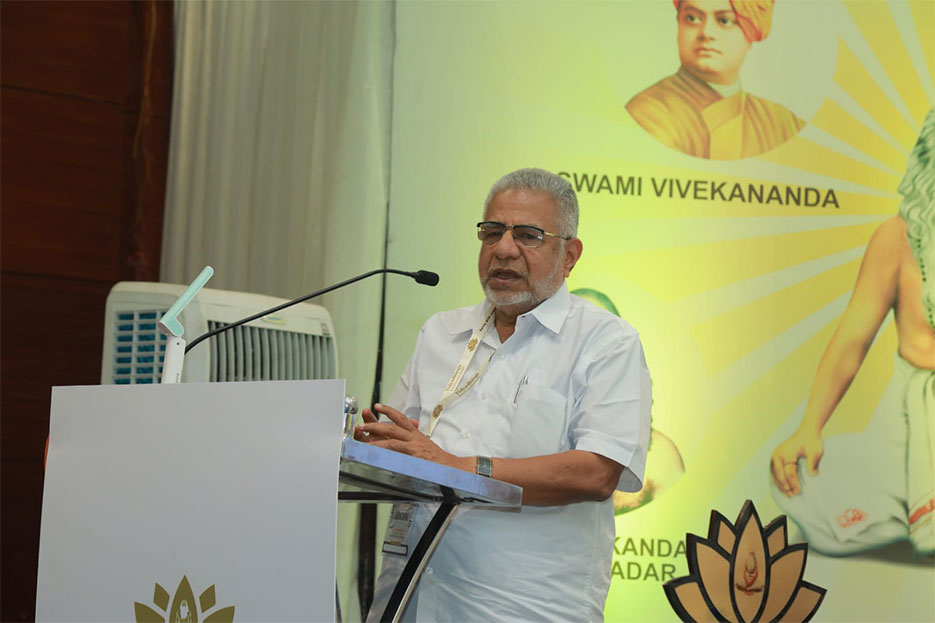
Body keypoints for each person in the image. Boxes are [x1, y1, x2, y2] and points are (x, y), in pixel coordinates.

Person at [354, 168, 652, 621]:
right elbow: (399, 448)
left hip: (522, 611)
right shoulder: (441, 333)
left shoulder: (605, 342)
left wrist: (456, 468)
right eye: (492, 232)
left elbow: (596, 473)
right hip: (411, 599)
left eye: (528, 236)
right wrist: (373, 446)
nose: (504, 249)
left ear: (569, 255)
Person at [769, 110, 935, 557]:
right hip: (907, 427)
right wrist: (809, 428)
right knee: (799, 478)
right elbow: (851, 342)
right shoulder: (898, 239)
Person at [626, 0, 805, 160]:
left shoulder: (784, 124)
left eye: (724, 21)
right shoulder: (648, 114)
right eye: (692, 19)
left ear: (750, 34)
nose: (706, 32)